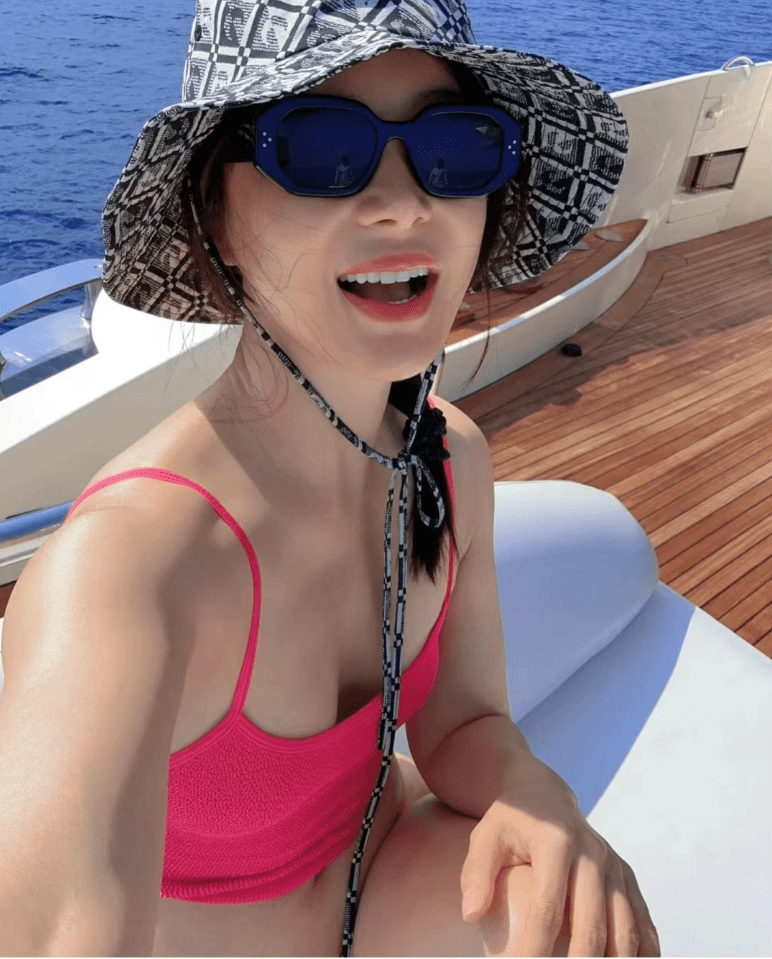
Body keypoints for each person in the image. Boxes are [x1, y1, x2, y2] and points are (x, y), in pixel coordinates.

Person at [0, 1, 661, 956]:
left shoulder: (449, 459)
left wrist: (533, 789)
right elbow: (56, 921)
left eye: (453, 148)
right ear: (217, 217)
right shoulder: (130, 568)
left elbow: (463, 722)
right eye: (320, 148)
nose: (403, 205)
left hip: (385, 874)